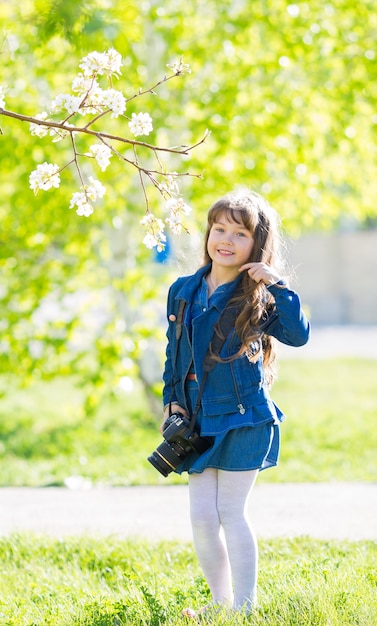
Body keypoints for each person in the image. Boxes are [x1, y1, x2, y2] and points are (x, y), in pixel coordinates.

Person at [160, 188, 310, 617]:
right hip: (196, 421)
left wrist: (275, 283)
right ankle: (220, 603)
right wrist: (172, 403)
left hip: (245, 418)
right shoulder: (184, 290)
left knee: (231, 511)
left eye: (239, 233)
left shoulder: (259, 296)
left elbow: (298, 335)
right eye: (219, 228)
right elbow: (174, 353)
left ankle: (245, 608)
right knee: (202, 518)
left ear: (256, 245)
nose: (225, 239)